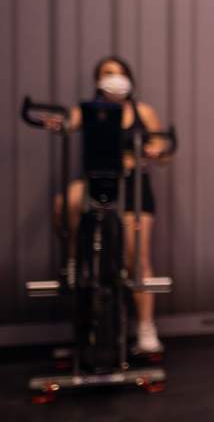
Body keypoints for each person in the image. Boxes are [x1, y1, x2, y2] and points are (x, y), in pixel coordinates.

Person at [47, 56, 170, 354]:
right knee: (67, 201)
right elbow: (69, 123)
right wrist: (59, 125)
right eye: (107, 73)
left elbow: (164, 150)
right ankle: (73, 262)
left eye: (119, 72)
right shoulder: (88, 110)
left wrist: (156, 151)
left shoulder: (143, 111)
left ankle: (146, 328)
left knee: (136, 258)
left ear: (129, 78)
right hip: (99, 182)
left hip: (133, 186)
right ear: (98, 80)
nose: (114, 78)